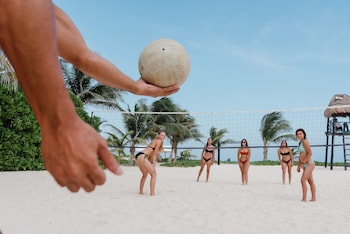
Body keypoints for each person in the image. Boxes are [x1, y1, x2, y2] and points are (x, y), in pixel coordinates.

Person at [0, 1, 179, 193]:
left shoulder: (47, 12)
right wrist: (62, 123)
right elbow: (15, 14)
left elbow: (83, 57)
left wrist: (135, 87)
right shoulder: (37, 9)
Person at [135, 131, 166, 196]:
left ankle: (141, 192)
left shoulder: (154, 140)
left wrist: (150, 163)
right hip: (143, 156)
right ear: (158, 135)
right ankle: (152, 193)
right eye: (162, 135)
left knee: (145, 174)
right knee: (154, 174)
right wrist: (154, 165)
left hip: (138, 156)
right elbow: (154, 154)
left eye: (164, 136)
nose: (163, 137)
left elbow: (151, 154)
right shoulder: (159, 141)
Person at [296, 128, 316, 202]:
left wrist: (303, 163)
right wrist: (298, 166)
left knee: (302, 180)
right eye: (297, 134)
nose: (299, 135)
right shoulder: (300, 143)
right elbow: (300, 156)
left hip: (309, 164)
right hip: (304, 165)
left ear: (304, 134)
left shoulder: (305, 142)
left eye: (300, 134)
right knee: (310, 182)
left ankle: (304, 199)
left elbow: (310, 153)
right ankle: (313, 198)